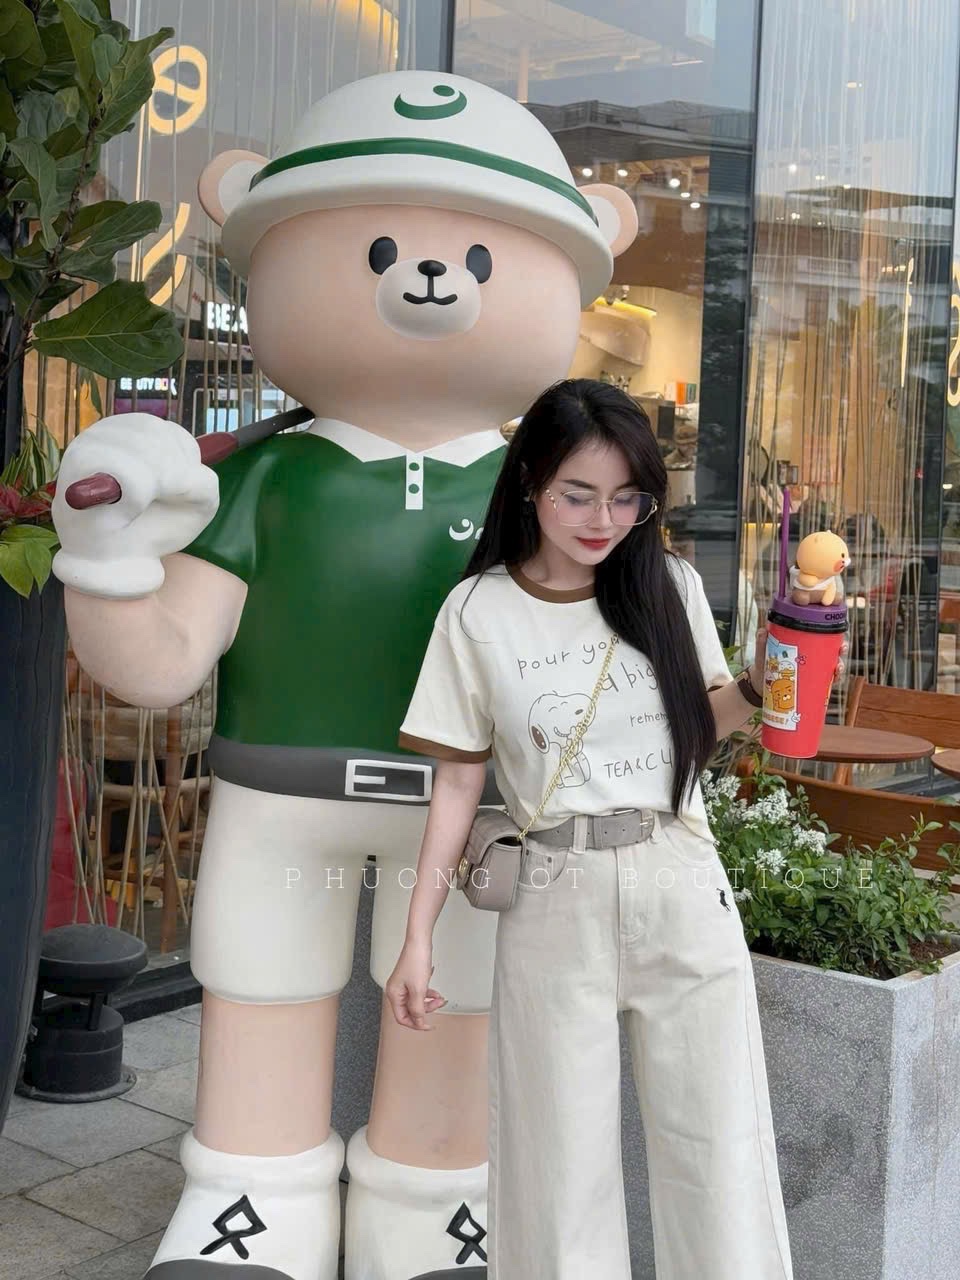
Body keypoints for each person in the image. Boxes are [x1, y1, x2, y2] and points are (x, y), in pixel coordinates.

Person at [385, 378, 841, 1279]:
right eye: (579, 495)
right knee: (555, 1159)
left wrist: (765, 677)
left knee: (718, 1145)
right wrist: (417, 936)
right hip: (555, 890)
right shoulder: (477, 611)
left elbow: (702, 724)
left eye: (628, 498)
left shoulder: (666, 585)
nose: (605, 520)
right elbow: (458, 783)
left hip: (679, 878)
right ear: (530, 485)